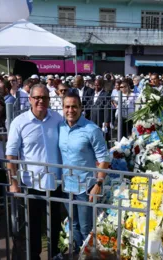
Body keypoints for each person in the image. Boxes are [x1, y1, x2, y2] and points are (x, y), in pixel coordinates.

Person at [6, 84, 63, 259]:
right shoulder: (19, 122)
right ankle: (35, 255)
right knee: (33, 224)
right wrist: (13, 183)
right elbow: (11, 154)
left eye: (44, 98)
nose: (40, 101)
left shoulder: (57, 119)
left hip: (56, 181)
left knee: (55, 222)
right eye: (37, 97)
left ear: (49, 100)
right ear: (30, 99)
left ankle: (55, 254)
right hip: (32, 183)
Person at [59, 92, 110, 254]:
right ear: (63, 108)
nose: (70, 110)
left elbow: (104, 158)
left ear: (81, 108)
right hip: (66, 185)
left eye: (74, 106)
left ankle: (88, 255)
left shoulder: (91, 129)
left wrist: (98, 183)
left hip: (85, 187)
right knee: (72, 225)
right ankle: (77, 255)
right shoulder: (60, 127)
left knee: (86, 227)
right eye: (67, 106)